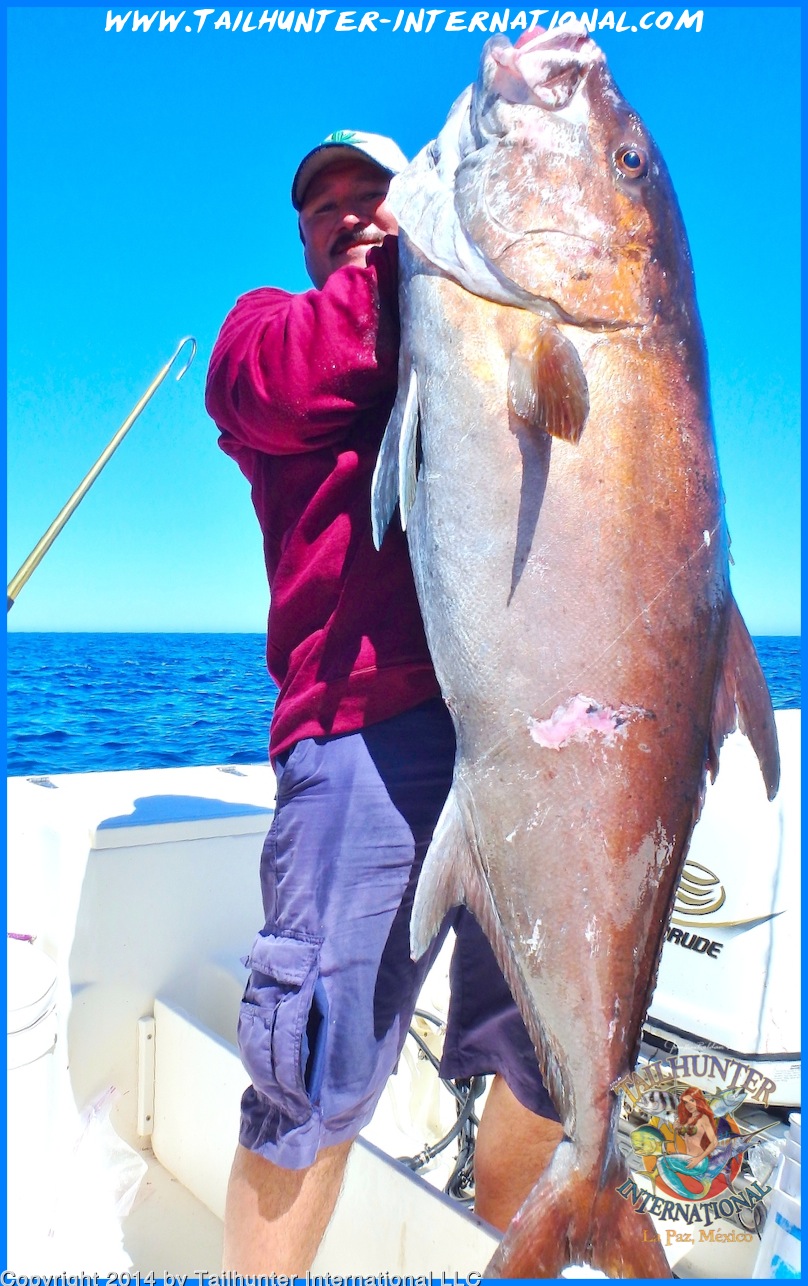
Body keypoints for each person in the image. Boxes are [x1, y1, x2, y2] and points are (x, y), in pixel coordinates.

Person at [205, 129, 564, 1273]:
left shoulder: (486, 324)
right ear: (304, 238)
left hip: (523, 727)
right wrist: (439, 257)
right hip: (360, 726)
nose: (355, 213)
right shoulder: (266, 329)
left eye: (381, 193)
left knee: (541, 1051)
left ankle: (506, 1247)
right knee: (308, 1071)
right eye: (328, 206)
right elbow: (280, 377)